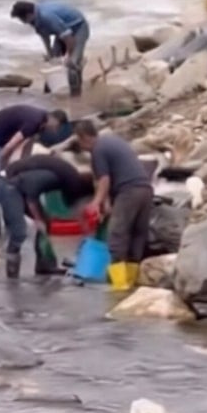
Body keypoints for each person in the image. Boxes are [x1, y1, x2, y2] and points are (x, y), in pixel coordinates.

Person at [74, 120, 154, 292]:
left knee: (116, 236)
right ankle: (131, 283)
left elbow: (104, 180)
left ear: (84, 138)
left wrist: (95, 203)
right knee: (137, 235)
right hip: (145, 190)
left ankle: (119, 287)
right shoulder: (112, 140)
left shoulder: (98, 150)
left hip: (129, 192)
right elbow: (115, 173)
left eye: (79, 142)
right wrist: (107, 204)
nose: (82, 147)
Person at [0, 105, 68, 238]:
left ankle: (8, 233)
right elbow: (10, 145)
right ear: (53, 119)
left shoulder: (41, 121)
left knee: (6, 188)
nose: (55, 130)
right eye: (56, 127)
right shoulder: (34, 121)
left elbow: (24, 145)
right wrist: (2, 167)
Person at [0, 154, 94, 279]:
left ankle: (45, 266)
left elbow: (76, 209)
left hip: (20, 184)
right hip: (8, 185)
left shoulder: (70, 181)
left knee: (46, 223)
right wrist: (38, 220)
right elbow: (31, 193)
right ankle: (12, 277)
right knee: (19, 231)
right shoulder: (58, 178)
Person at [11, 0, 90, 97]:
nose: (23, 22)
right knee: (52, 63)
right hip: (63, 30)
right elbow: (44, 35)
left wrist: (68, 56)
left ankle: (76, 97)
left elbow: (69, 39)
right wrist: (50, 54)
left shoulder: (46, 16)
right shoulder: (35, 18)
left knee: (72, 64)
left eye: (22, 19)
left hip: (79, 27)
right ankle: (48, 94)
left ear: (29, 15)